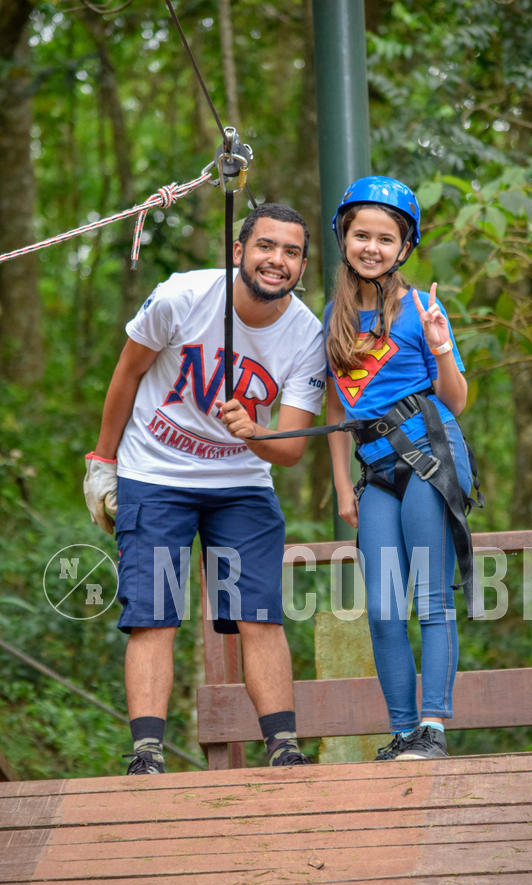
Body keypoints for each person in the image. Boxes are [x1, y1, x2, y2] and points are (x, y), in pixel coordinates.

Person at [83, 202, 326, 773]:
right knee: (154, 612)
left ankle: (283, 748)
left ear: (303, 266)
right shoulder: (181, 297)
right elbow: (128, 373)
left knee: (259, 613)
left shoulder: (307, 335)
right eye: (266, 246)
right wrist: (102, 461)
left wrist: (254, 431)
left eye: (292, 252)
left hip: (241, 481)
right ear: (238, 251)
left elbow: (290, 450)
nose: (278, 261)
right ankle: (146, 755)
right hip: (155, 472)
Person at [324, 176, 476, 761]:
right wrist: (343, 486)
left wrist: (439, 345)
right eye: (362, 234)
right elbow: (338, 406)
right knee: (385, 606)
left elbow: (455, 399)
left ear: (404, 247)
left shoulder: (420, 308)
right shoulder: (334, 316)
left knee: (430, 598)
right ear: (345, 239)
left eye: (385, 239)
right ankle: (403, 730)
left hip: (429, 459)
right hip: (375, 472)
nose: (372, 247)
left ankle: (433, 729)